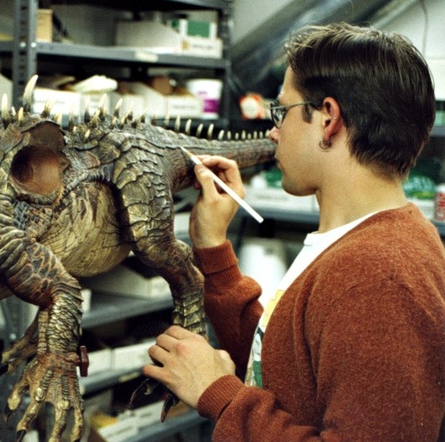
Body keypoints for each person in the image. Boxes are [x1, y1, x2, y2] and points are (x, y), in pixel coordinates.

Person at [143, 23, 445, 440]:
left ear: (328, 119)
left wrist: (220, 395)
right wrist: (212, 246)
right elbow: (285, 370)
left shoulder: (378, 275)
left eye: (281, 112)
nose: (274, 131)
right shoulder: (358, 241)